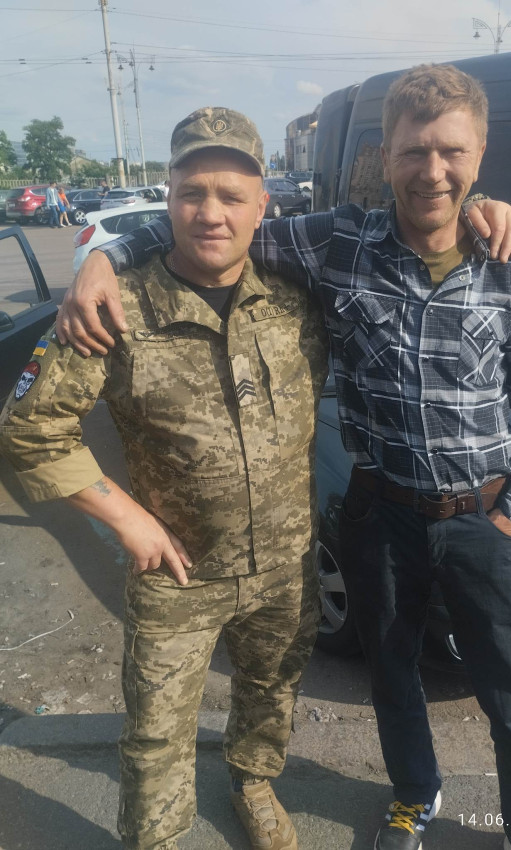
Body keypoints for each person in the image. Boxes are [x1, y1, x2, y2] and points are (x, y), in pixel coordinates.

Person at [54, 69, 511, 850]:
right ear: (384, 156)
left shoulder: (510, 258)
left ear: (480, 155)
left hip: (484, 520)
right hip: (380, 515)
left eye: (453, 152)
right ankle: (412, 798)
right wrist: (104, 255)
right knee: (392, 680)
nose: (432, 170)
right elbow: (209, 222)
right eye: (414, 151)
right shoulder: (334, 243)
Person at [0, 107, 331, 850]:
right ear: (168, 199)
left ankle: (253, 783)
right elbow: (30, 428)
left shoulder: (294, 302)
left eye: (231, 196)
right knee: (156, 732)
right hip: (179, 574)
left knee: (271, 693)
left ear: (261, 207)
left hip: (285, 568)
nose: (211, 213)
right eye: (191, 193)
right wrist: (126, 519)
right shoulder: (114, 308)